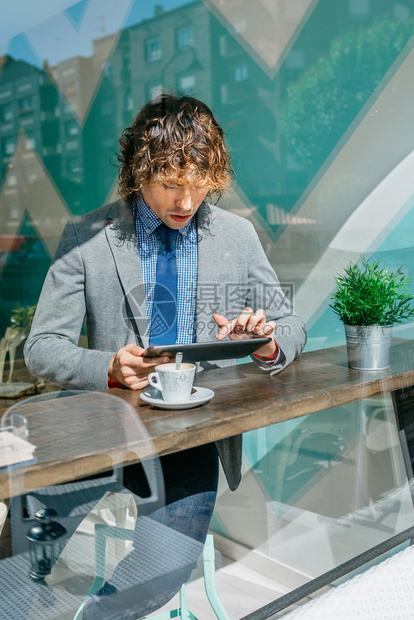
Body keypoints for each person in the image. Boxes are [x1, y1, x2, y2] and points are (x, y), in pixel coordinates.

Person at [24, 94, 306, 615]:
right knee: (16, 565)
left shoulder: (238, 236)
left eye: (198, 185)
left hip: (189, 439)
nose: (186, 200)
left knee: (154, 578)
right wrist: (106, 366)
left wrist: (266, 340)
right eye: (171, 184)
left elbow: (290, 325)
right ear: (139, 172)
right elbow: (41, 348)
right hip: (93, 427)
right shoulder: (86, 237)